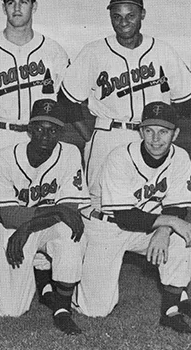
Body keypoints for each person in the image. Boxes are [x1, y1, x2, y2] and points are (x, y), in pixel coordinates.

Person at [0, 0, 71, 291]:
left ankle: (41, 272)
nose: (17, 8)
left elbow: (67, 99)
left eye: (23, 1)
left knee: (38, 197)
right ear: (4, 6)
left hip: (39, 137)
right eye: (11, 2)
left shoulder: (52, 50)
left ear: (34, 5)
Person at [61, 0, 191, 214]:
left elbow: (185, 101)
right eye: (116, 16)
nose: (123, 22)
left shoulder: (163, 51)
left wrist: (168, 132)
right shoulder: (94, 52)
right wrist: (89, 136)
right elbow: (66, 100)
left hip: (153, 137)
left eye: (130, 15)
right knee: (100, 206)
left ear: (142, 15)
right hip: (109, 135)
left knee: (153, 202)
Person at [75, 102, 191, 333]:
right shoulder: (120, 157)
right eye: (149, 130)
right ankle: (78, 281)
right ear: (140, 131)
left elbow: (177, 205)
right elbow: (125, 217)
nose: (155, 139)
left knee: (182, 236)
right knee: (94, 310)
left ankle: (171, 309)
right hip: (106, 226)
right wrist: (169, 222)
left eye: (163, 132)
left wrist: (164, 230)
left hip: (148, 226)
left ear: (175, 134)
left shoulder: (181, 157)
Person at [0, 99, 88, 335]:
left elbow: (69, 210)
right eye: (39, 128)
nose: (45, 135)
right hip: (11, 229)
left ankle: (62, 309)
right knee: (11, 310)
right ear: (29, 130)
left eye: (53, 130)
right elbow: (9, 215)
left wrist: (29, 226)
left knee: (72, 229)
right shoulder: (3, 157)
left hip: (38, 227)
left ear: (61, 132)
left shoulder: (70, 153)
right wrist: (55, 210)